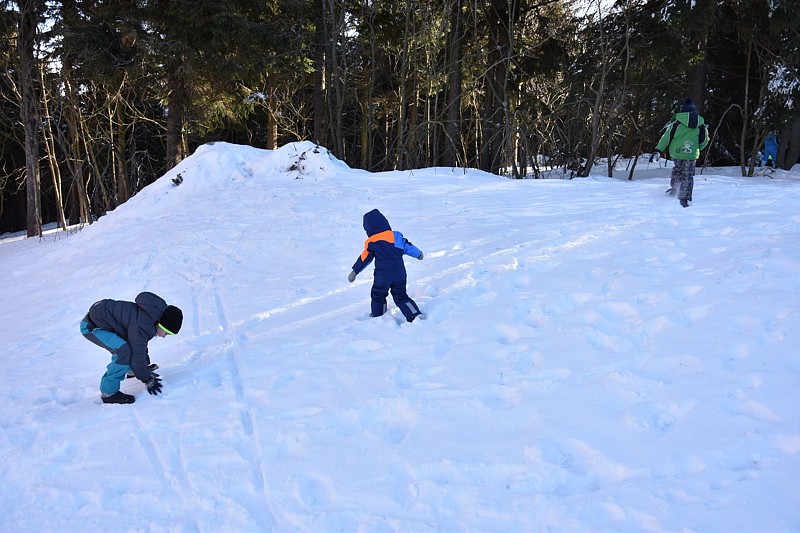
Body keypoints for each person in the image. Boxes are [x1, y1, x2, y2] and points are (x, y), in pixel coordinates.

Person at [80, 292, 183, 404]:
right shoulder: (144, 324)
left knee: (129, 347)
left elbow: (139, 346)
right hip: (92, 327)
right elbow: (137, 352)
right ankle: (109, 393)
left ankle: (132, 371)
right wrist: (146, 377)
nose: (163, 336)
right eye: (166, 333)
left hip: (102, 319)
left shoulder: (151, 317)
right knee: (121, 350)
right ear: (161, 324)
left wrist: (143, 368)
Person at [348, 209, 424, 322]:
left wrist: (355, 271)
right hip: (400, 274)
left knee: (378, 294)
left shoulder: (372, 242)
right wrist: (419, 254)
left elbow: (364, 258)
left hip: (382, 276)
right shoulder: (396, 236)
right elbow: (409, 247)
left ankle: (379, 315)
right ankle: (414, 314)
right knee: (401, 295)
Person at [654, 98, 710, 207]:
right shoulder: (701, 125)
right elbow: (704, 140)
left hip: (677, 153)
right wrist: (697, 148)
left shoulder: (676, 123)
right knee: (687, 175)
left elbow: (667, 137)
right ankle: (684, 197)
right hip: (691, 154)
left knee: (677, 171)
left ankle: (675, 190)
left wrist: (658, 149)